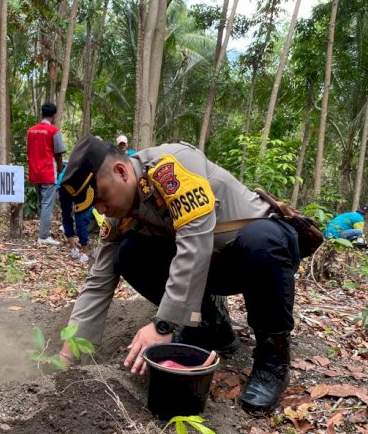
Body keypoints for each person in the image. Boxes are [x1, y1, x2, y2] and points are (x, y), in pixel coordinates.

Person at [58, 136, 301, 414]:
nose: (100, 210)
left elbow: (195, 242)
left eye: (100, 197)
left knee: (262, 239)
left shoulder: (171, 167)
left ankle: (273, 361)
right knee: (129, 254)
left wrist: (163, 325)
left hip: (257, 256)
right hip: (210, 269)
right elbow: (97, 283)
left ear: (121, 172)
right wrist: (67, 354)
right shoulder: (120, 217)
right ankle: (210, 327)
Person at [27, 102, 65, 246]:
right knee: (47, 204)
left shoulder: (31, 131)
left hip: (34, 172)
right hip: (48, 172)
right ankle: (43, 236)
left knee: (41, 205)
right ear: (54, 116)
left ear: (41, 113)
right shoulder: (53, 131)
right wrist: (60, 169)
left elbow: (29, 151)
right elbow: (59, 154)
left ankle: (43, 232)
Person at [57, 167, 92, 263]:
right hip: (79, 183)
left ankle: (74, 249)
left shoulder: (78, 156)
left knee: (67, 215)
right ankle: (84, 251)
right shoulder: (92, 160)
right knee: (81, 215)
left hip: (64, 182)